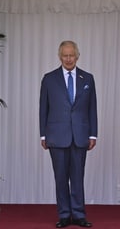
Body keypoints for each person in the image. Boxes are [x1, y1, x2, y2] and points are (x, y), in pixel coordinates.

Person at [39, 40, 98, 228]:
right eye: (65, 55)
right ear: (59, 56)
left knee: (78, 177)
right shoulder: (49, 79)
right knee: (61, 178)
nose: (68, 59)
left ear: (77, 56)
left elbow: (92, 109)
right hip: (56, 136)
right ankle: (64, 215)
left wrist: (93, 134)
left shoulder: (87, 78)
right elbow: (43, 109)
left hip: (80, 135)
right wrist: (43, 135)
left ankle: (79, 215)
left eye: (72, 55)